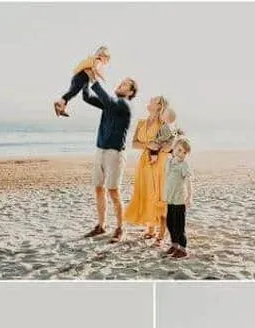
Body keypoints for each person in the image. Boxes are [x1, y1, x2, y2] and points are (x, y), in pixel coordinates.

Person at [81, 75, 138, 243]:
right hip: (100, 150)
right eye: (120, 82)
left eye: (125, 84)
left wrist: (94, 79)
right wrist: (85, 81)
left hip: (115, 153)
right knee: (98, 188)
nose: (120, 85)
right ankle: (101, 225)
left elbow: (108, 100)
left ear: (131, 92)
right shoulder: (110, 104)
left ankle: (121, 228)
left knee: (113, 191)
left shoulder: (124, 105)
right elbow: (87, 97)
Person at [124, 96, 171, 242]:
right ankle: (150, 228)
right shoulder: (141, 122)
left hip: (160, 162)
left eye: (153, 100)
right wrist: (148, 146)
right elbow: (134, 144)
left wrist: (158, 149)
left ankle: (162, 232)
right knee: (145, 192)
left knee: (159, 194)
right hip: (144, 162)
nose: (149, 101)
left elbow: (170, 145)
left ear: (159, 106)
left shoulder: (164, 123)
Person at [54, 46, 111, 116]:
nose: (106, 63)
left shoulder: (92, 60)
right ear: (103, 56)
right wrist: (102, 78)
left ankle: (61, 109)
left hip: (81, 78)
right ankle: (59, 102)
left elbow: (91, 71)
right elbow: (95, 70)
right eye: (107, 60)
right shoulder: (98, 60)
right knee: (73, 92)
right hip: (81, 77)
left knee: (82, 95)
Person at [163, 137, 192, 258]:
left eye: (184, 152)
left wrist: (189, 197)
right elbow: (168, 179)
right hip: (170, 197)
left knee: (179, 225)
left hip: (180, 199)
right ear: (173, 149)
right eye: (179, 150)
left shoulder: (184, 165)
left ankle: (183, 248)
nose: (181, 154)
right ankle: (174, 244)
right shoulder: (169, 162)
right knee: (170, 223)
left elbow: (188, 181)